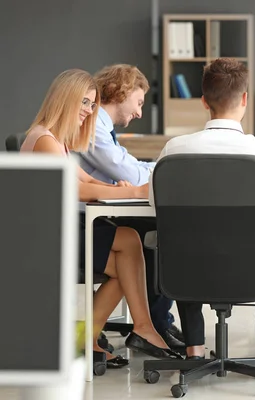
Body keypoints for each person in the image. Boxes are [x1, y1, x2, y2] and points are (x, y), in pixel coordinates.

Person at [150, 57, 255, 359]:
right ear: (245, 99)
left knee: (185, 239)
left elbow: (154, 202)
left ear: (203, 101)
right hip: (252, 273)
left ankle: (194, 351)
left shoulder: (174, 149)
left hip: (188, 273)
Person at [20, 69, 180, 367]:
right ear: (64, 99)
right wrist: (134, 193)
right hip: (48, 237)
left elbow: (85, 180)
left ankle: (94, 338)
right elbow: (77, 189)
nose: (88, 111)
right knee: (127, 256)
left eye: (92, 104)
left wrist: (116, 188)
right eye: (83, 102)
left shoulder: (57, 141)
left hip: (61, 229)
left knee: (129, 247)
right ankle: (126, 331)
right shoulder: (43, 140)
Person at [77, 64, 183, 351]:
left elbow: (131, 167)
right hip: (85, 220)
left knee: (150, 234)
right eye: (138, 102)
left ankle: (152, 322)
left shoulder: (101, 127)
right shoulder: (92, 125)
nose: (139, 112)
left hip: (95, 213)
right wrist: (169, 170)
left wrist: (164, 168)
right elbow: (130, 173)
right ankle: (153, 323)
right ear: (121, 92)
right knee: (162, 231)